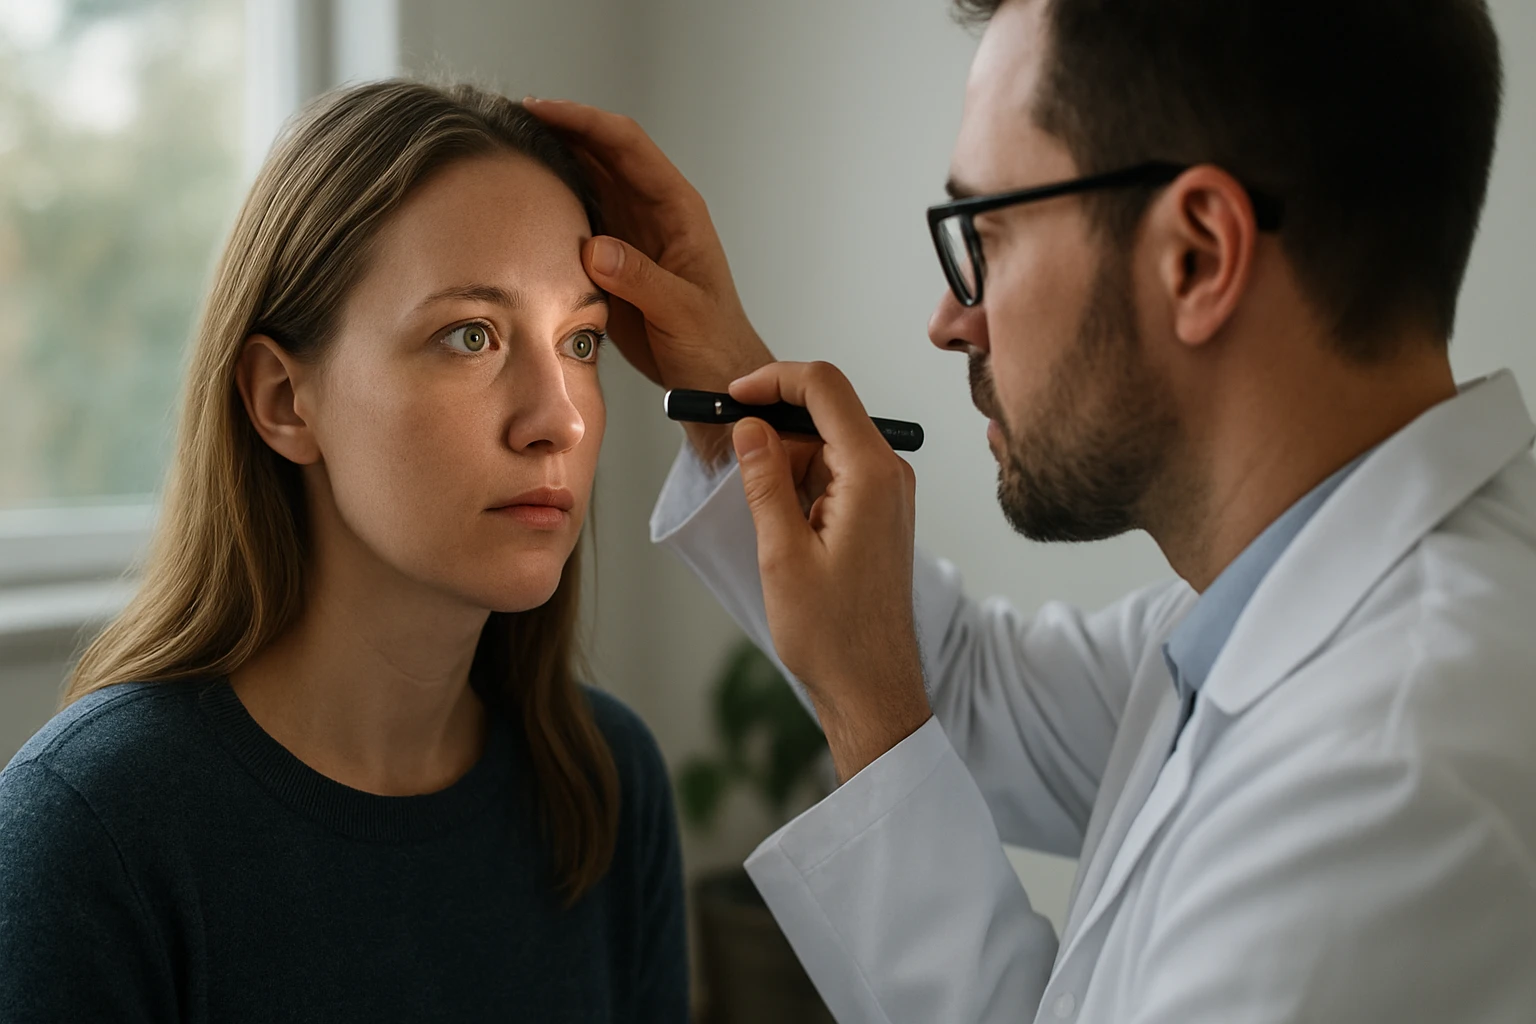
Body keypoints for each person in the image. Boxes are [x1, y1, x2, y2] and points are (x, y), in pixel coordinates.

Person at [523, 0, 1536, 1019]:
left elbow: (918, 702)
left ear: (1196, 253)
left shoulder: (1394, 775)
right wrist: (737, 390)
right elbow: (967, 690)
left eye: (985, 236)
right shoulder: (1283, 607)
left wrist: (865, 719)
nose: (950, 320)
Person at [0, 81, 687, 1023]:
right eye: (471, 335)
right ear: (284, 400)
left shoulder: (607, 781)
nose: (557, 418)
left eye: (580, 341)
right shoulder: (91, 830)